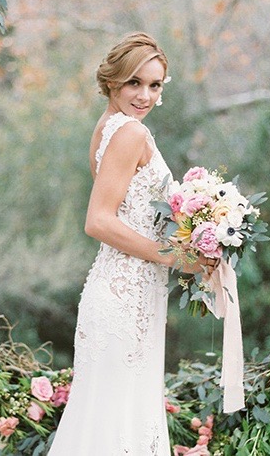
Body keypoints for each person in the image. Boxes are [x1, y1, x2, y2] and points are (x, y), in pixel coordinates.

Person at [48, 33, 214, 455]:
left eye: (155, 85)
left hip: (127, 292)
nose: (145, 95)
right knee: (117, 423)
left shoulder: (107, 128)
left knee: (110, 420)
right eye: (134, 83)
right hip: (125, 300)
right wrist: (178, 258)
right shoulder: (129, 134)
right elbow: (99, 221)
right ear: (112, 82)